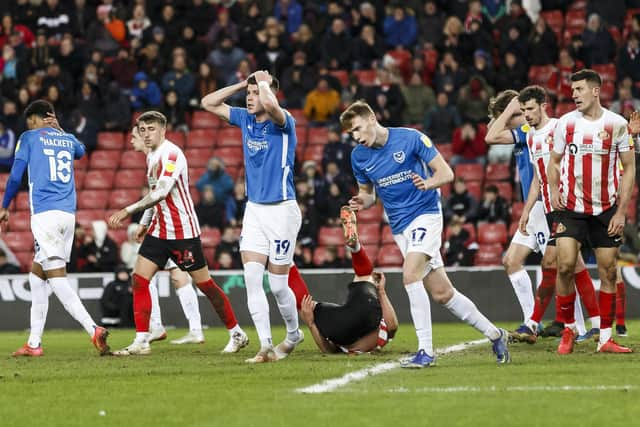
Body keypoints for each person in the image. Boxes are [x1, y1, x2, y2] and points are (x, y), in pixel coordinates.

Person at [340, 100, 510, 368]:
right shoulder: (358, 157)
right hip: (399, 227)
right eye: (352, 134)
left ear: (372, 118)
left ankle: (425, 352)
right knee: (443, 293)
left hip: (426, 215)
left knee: (410, 274)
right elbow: (368, 194)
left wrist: (428, 184)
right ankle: (496, 334)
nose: (357, 137)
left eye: (359, 129)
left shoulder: (411, 138)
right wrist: (362, 202)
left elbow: (446, 173)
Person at [107, 111, 248, 355]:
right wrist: (145, 221)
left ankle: (236, 332)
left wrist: (128, 210)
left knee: (205, 285)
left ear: (163, 130)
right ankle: (142, 340)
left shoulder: (171, 154)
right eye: (143, 130)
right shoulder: (151, 156)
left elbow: (161, 192)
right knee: (139, 279)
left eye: (151, 129)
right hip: (160, 231)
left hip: (183, 232)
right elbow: (156, 195)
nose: (146, 134)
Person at [201, 70, 304, 363]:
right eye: (248, 95)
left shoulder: (284, 122)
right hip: (255, 210)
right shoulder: (245, 119)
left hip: (282, 210)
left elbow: (272, 106)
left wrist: (264, 84)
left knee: (279, 285)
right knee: (252, 277)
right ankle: (265, 345)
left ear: (269, 93)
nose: (249, 99)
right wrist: (242, 84)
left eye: (254, 94)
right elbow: (207, 103)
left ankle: (294, 333)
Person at [1, 100, 110, 357]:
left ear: (36, 119)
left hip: (45, 214)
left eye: (31, 121)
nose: (29, 126)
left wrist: (5, 205)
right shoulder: (68, 138)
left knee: (57, 277)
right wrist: (61, 131)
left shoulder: (28, 138)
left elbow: (17, 175)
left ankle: (93, 328)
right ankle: (34, 343)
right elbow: (82, 152)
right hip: (67, 215)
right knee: (37, 277)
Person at [547, 69, 635, 354]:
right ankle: (569, 329)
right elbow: (555, 161)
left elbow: (629, 167)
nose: (574, 95)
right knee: (564, 264)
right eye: (573, 90)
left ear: (596, 91)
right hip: (571, 208)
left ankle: (605, 338)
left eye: (580, 89)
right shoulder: (564, 124)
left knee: (609, 270)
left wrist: (621, 212)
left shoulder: (617, 124)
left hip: (606, 209)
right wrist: (554, 188)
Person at [512, 85, 601, 344]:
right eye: (523, 110)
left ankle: (533, 324)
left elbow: (577, 161)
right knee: (571, 265)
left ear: (543, 106)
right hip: (549, 209)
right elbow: (538, 178)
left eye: (530, 109)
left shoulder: (559, 128)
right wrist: (527, 211)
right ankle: (593, 325)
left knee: (552, 264)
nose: (526, 114)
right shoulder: (530, 137)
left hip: (567, 207)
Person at [298, 207, 398, 353]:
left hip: (353, 320)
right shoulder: (372, 337)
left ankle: (355, 247)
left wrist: (380, 291)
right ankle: (288, 265)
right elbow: (329, 350)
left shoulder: (381, 336)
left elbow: (392, 326)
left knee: (364, 275)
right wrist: (311, 323)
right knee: (307, 305)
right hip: (345, 329)